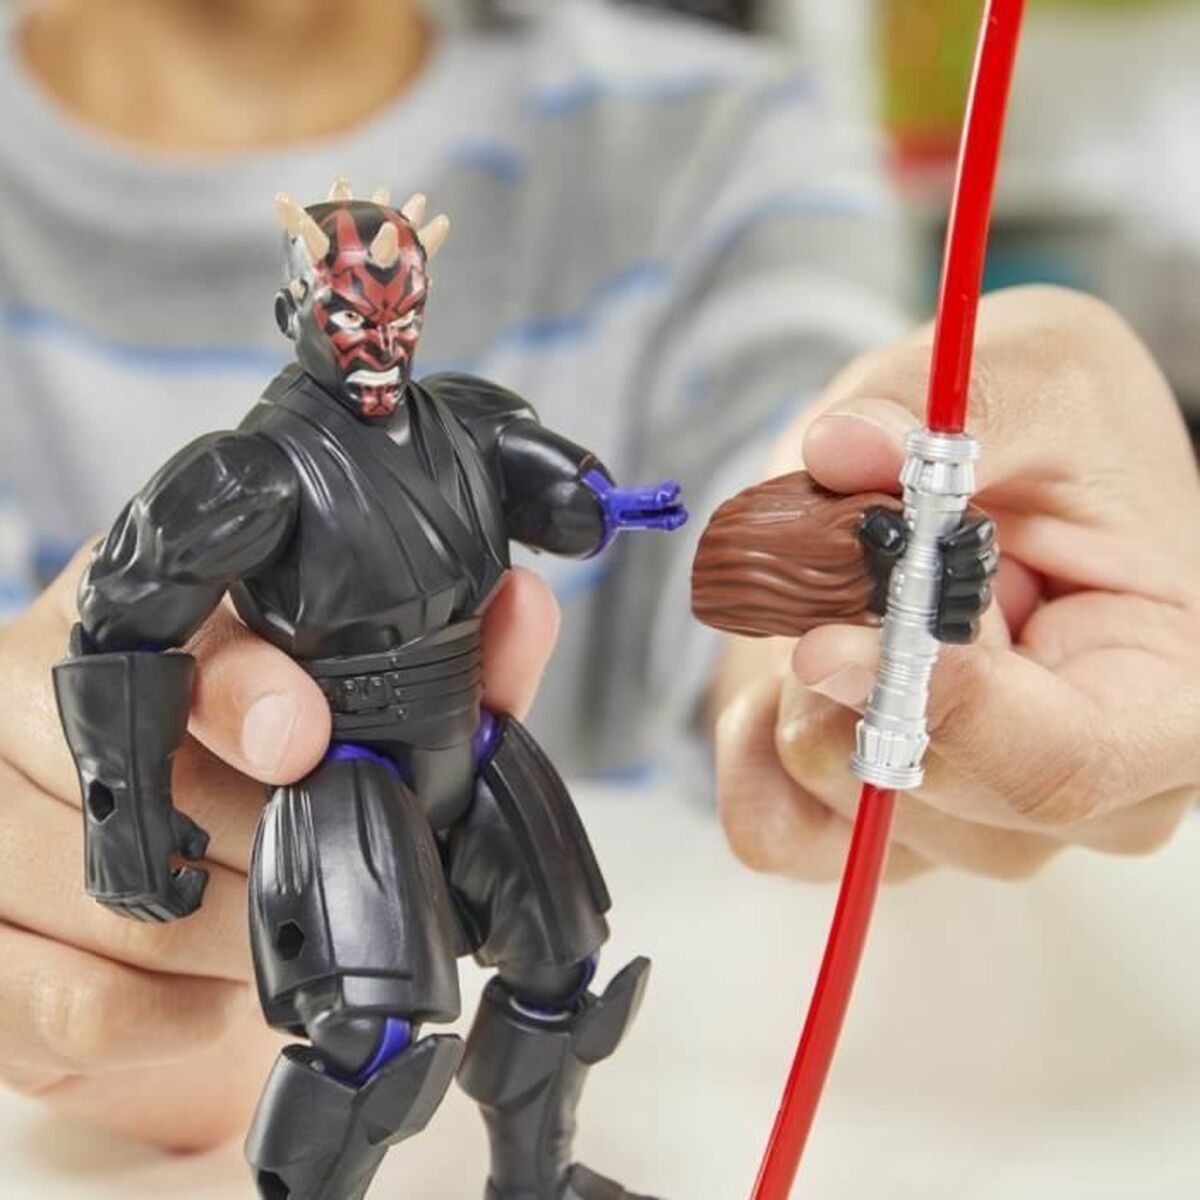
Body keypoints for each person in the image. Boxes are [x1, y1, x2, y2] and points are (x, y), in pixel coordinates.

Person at [0, 0, 1196, 1176]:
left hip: (472, 734)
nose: (378, 337)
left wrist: (862, 550)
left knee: (562, 977)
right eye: (351, 313)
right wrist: (123, 812)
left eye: (397, 310)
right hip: (342, 769)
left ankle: (537, 1173)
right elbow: (121, 623)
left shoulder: (694, 170)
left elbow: (683, 482)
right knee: (367, 1042)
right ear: (296, 312)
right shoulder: (248, 476)